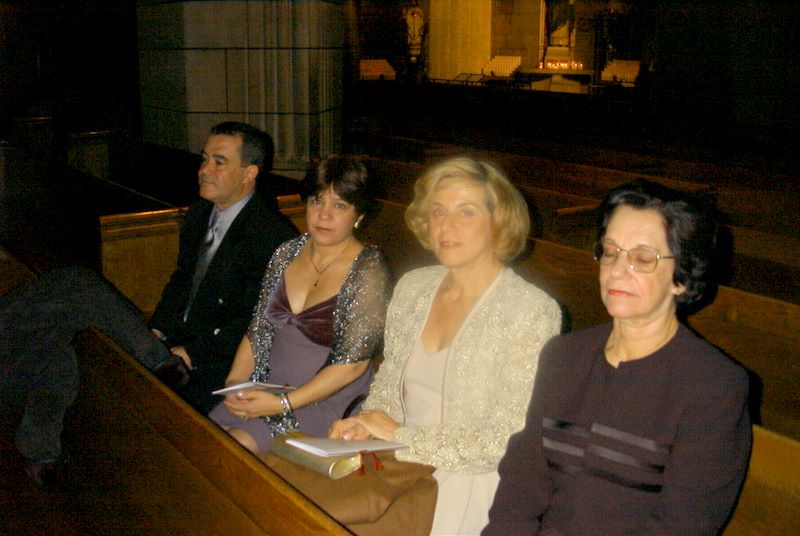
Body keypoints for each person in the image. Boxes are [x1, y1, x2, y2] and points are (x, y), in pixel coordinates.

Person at [0, 121, 295, 485]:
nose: (204, 169)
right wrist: (156, 327)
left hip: (215, 364)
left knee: (73, 291)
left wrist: (193, 352)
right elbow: (180, 283)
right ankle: (43, 451)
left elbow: (257, 323)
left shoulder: (273, 237)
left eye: (219, 162)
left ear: (249, 173)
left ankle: (44, 448)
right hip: (170, 346)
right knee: (58, 328)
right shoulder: (201, 214)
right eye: (204, 159)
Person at [484, 179, 752, 535]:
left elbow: (683, 525)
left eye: (642, 258)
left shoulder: (713, 386)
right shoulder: (564, 356)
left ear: (681, 279)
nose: (616, 269)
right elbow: (522, 484)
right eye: (610, 251)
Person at [329, 156, 561, 535]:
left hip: (472, 479)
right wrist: (365, 424)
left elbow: (503, 439)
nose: (446, 226)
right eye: (437, 212)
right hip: (398, 466)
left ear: (498, 222)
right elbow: (387, 385)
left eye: (465, 212)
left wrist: (398, 436)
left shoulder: (531, 311)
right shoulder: (413, 287)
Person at [209, 155, 391, 454]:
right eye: (317, 201)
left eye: (340, 205)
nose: (324, 215)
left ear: (359, 214)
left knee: (232, 448)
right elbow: (259, 328)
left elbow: (353, 367)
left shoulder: (369, 270)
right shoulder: (286, 252)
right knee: (201, 434)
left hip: (325, 400)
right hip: (271, 386)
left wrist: (282, 403)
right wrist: (237, 383)